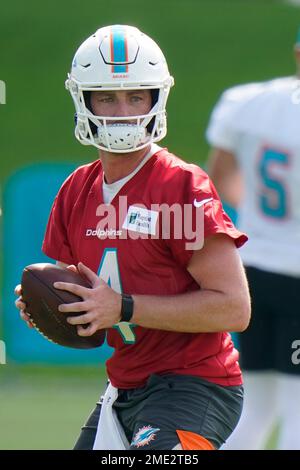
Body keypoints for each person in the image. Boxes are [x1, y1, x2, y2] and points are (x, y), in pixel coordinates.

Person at [15, 25, 250, 451]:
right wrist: (53, 306)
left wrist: (122, 307)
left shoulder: (181, 186)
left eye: (135, 96)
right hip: (125, 387)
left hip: (196, 386)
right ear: (83, 100)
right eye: (107, 96)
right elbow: (85, 294)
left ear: (156, 99)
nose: (122, 110)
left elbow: (234, 308)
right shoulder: (76, 189)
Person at [206, 29, 300, 450]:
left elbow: (219, 175)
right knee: (297, 412)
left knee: (256, 408)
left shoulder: (247, 102)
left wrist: (262, 221)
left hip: (254, 270)